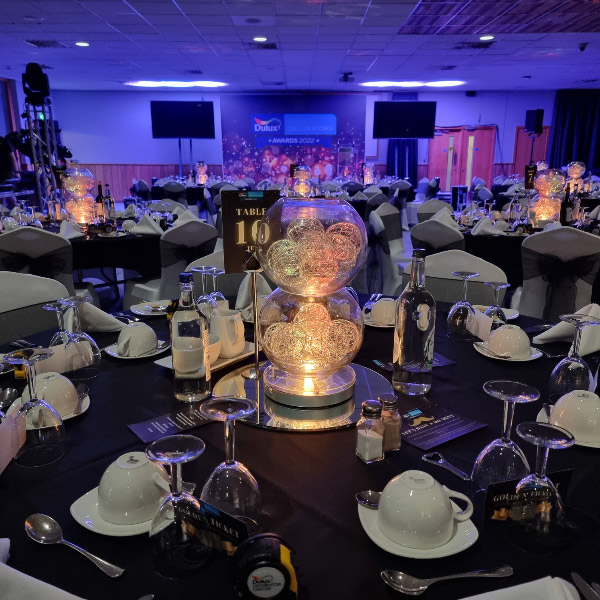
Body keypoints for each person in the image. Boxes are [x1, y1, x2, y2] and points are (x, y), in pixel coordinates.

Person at [0, 135, 20, 211]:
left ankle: (17, 212)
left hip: (7, 172)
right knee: (3, 196)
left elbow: (12, 157)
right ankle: (5, 214)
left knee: (9, 193)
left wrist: (17, 172)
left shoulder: (3, 141)